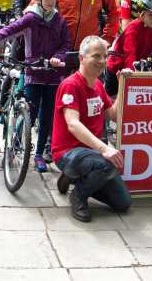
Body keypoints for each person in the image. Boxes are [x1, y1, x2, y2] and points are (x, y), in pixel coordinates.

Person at [0, 0, 71, 171]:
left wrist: (58, 56)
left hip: (54, 75)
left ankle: (39, 154)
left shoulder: (60, 21)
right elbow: (9, 31)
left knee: (47, 116)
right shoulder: (30, 18)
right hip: (34, 73)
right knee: (29, 115)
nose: (51, 1)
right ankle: (13, 150)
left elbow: (66, 44)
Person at [52, 36, 131, 222]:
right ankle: (78, 195)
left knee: (123, 203)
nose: (102, 61)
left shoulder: (98, 85)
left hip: (90, 153)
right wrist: (104, 148)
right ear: (82, 58)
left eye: (105, 56)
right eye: (96, 56)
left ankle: (75, 177)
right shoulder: (70, 85)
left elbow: (113, 115)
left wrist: (121, 85)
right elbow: (73, 124)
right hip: (67, 153)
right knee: (110, 163)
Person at [105, 0, 152, 97]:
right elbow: (129, 54)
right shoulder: (133, 28)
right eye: (150, 15)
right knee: (113, 105)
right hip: (118, 68)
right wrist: (133, 79)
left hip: (137, 67)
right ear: (140, 15)